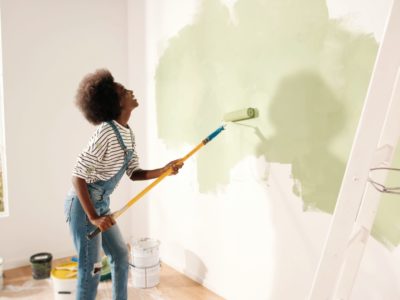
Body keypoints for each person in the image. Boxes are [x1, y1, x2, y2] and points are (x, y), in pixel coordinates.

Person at [64, 69, 183, 300]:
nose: (131, 91)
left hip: (100, 205)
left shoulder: (127, 133)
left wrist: (165, 170)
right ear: (116, 102)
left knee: (119, 255)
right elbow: (78, 176)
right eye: (124, 91)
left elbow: (134, 173)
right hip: (82, 207)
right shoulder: (106, 132)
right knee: (91, 270)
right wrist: (93, 217)